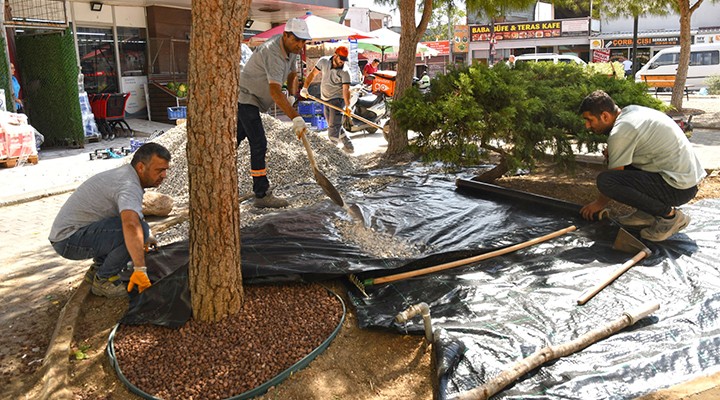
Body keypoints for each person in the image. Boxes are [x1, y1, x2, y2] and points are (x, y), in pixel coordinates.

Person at [578, 90, 705, 241]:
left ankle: (670, 217)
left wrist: (598, 204)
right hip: (684, 179)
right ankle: (648, 213)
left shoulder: (621, 131)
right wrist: (614, 153)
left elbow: (615, 176)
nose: (587, 126)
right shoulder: (630, 112)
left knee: (606, 181)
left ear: (605, 116)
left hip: (678, 188)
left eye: (590, 120)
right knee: (620, 167)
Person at [48, 143, 171, 298]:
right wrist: (140, 269)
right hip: (68, 240)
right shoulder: (129, 185)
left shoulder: (127, 175)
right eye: (159, 170)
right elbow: (131, 225)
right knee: (135, 231)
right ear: (141, 167)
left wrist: (148, 235)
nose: (164, 175)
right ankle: (104, 279)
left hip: (70, 235)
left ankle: (98, 268)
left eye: (166, 170)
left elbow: (133, 216)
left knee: (141, 230)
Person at [237, 17, 311, 208]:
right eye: (297, 40)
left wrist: (293, 96)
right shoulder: (273, 52)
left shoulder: (291, 49)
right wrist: (295, 117)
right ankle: (261, 194)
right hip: (246, 97)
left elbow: (292, 74)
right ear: (286, 35)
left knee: (231, 142)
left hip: (255, 100)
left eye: (304, 41)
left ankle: (218, 181)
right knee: (259, 143)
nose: (300, 45)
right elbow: (275, 92)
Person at [300, 46, 354, 153]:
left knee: (333, 126)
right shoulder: (324, 61)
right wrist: (305, 88)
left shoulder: (345, 72)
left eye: (344, 60)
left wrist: (348, 106)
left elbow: (346, 90)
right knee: (333, 124)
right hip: (325, 99)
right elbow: (312, 74)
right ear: (335, 55)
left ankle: (330, 152)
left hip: (337, 101)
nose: (342, 62)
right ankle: (349, 146)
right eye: (340, 59)